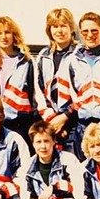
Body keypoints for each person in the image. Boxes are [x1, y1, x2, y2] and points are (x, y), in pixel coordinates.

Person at [58, 11, 100, 160]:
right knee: (86, 172)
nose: (90, 35)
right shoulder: (71, 60)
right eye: (85, 31)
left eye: (94, 30)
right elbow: (66, 94)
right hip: (83, 127)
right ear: (80, 33)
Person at [0, 16, 38, 148]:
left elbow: (33, 94)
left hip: (20, 122)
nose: (3, 37)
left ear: (14, 35)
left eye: (7, 32)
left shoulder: (25, 61)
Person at [34, 8, 78, 154]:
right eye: (55, 26)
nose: (59, 31)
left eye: (63, 26)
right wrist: (52, 120)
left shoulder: (80, 54)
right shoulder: (43, 56)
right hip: (51, 124)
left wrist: (65, 118)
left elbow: (84, 92)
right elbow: (38, 90)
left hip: (74, 124)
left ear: (71, 28)